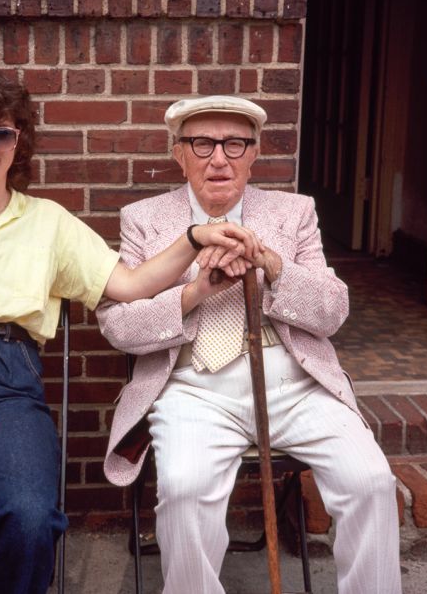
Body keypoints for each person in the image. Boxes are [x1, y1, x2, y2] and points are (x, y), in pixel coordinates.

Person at [0, 71, 261, 594]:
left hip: (8, 384)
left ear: (20, 141)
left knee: (31, 518)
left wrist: (194, 238)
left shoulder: (49, 223)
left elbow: (130, 284)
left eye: (1, 133)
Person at [97, 95, 402, 594]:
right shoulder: (144, 219)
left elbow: (331, 313)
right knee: (186, 491)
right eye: (202, 143)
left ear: (255, 153)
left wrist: (275, 266)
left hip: (296, 383)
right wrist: (194, 293)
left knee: (371, 484)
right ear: (179, 153)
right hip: (193, 388)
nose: (219, 158)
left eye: (235, 144)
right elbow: (119, 327)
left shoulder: (294, 213)